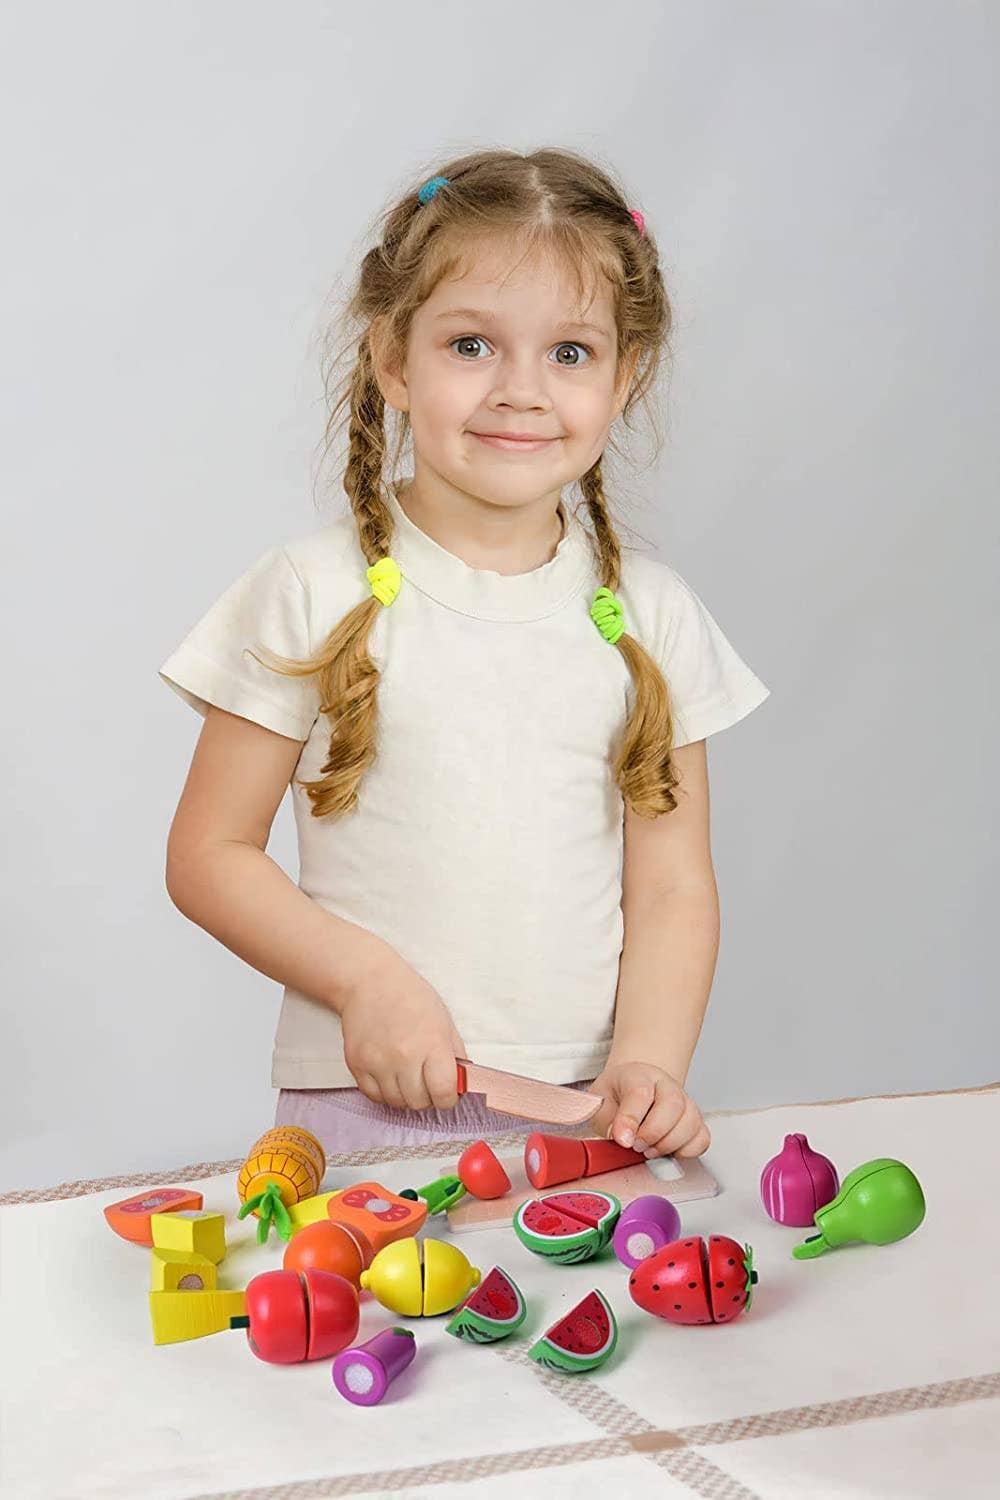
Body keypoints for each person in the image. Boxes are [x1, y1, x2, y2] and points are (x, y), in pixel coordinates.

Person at [160, 147, 770, 1164]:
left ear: (628, 375)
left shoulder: (651, 618)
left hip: (583, 1122)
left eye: (569, 352)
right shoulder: (307, 592)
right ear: (393, 360)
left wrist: (651, 1062)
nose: (521, 392)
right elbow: (208, 854)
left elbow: (670, 884)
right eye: (472, 344)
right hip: (360, 1117)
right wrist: (363, 980)